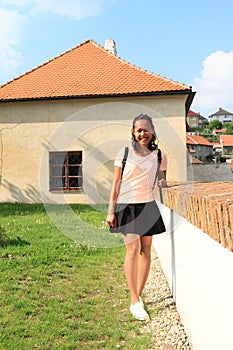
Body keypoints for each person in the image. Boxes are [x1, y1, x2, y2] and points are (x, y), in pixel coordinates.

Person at [106, 113, 167, 321]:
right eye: (138, 129)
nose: (143, 133)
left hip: (148, 205)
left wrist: (163, 182)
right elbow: (116, 184)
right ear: (133, 132)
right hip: (127, 206)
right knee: (132, 249)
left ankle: (138, 295)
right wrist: (111, 210)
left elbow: (162, 180)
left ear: (152, 131)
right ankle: (134, 300)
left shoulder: (160, 155)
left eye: (146, 129)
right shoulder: (123, 153)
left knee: (146, 250)